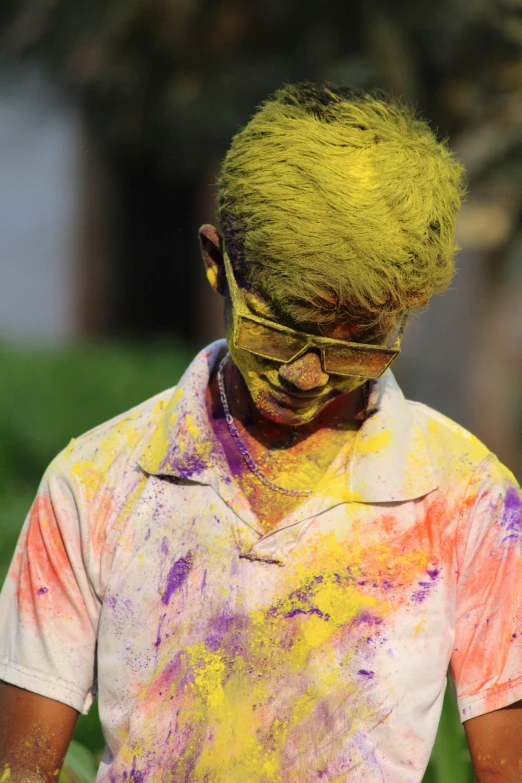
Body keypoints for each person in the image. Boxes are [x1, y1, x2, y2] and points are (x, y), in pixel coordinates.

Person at [1, 81, 521, 783]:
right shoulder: (96, 482)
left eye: (357, 344)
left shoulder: (471, 503)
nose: (307, 375)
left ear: (406, 315)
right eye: (277, 330)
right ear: (217, 265)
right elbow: (21, 767)